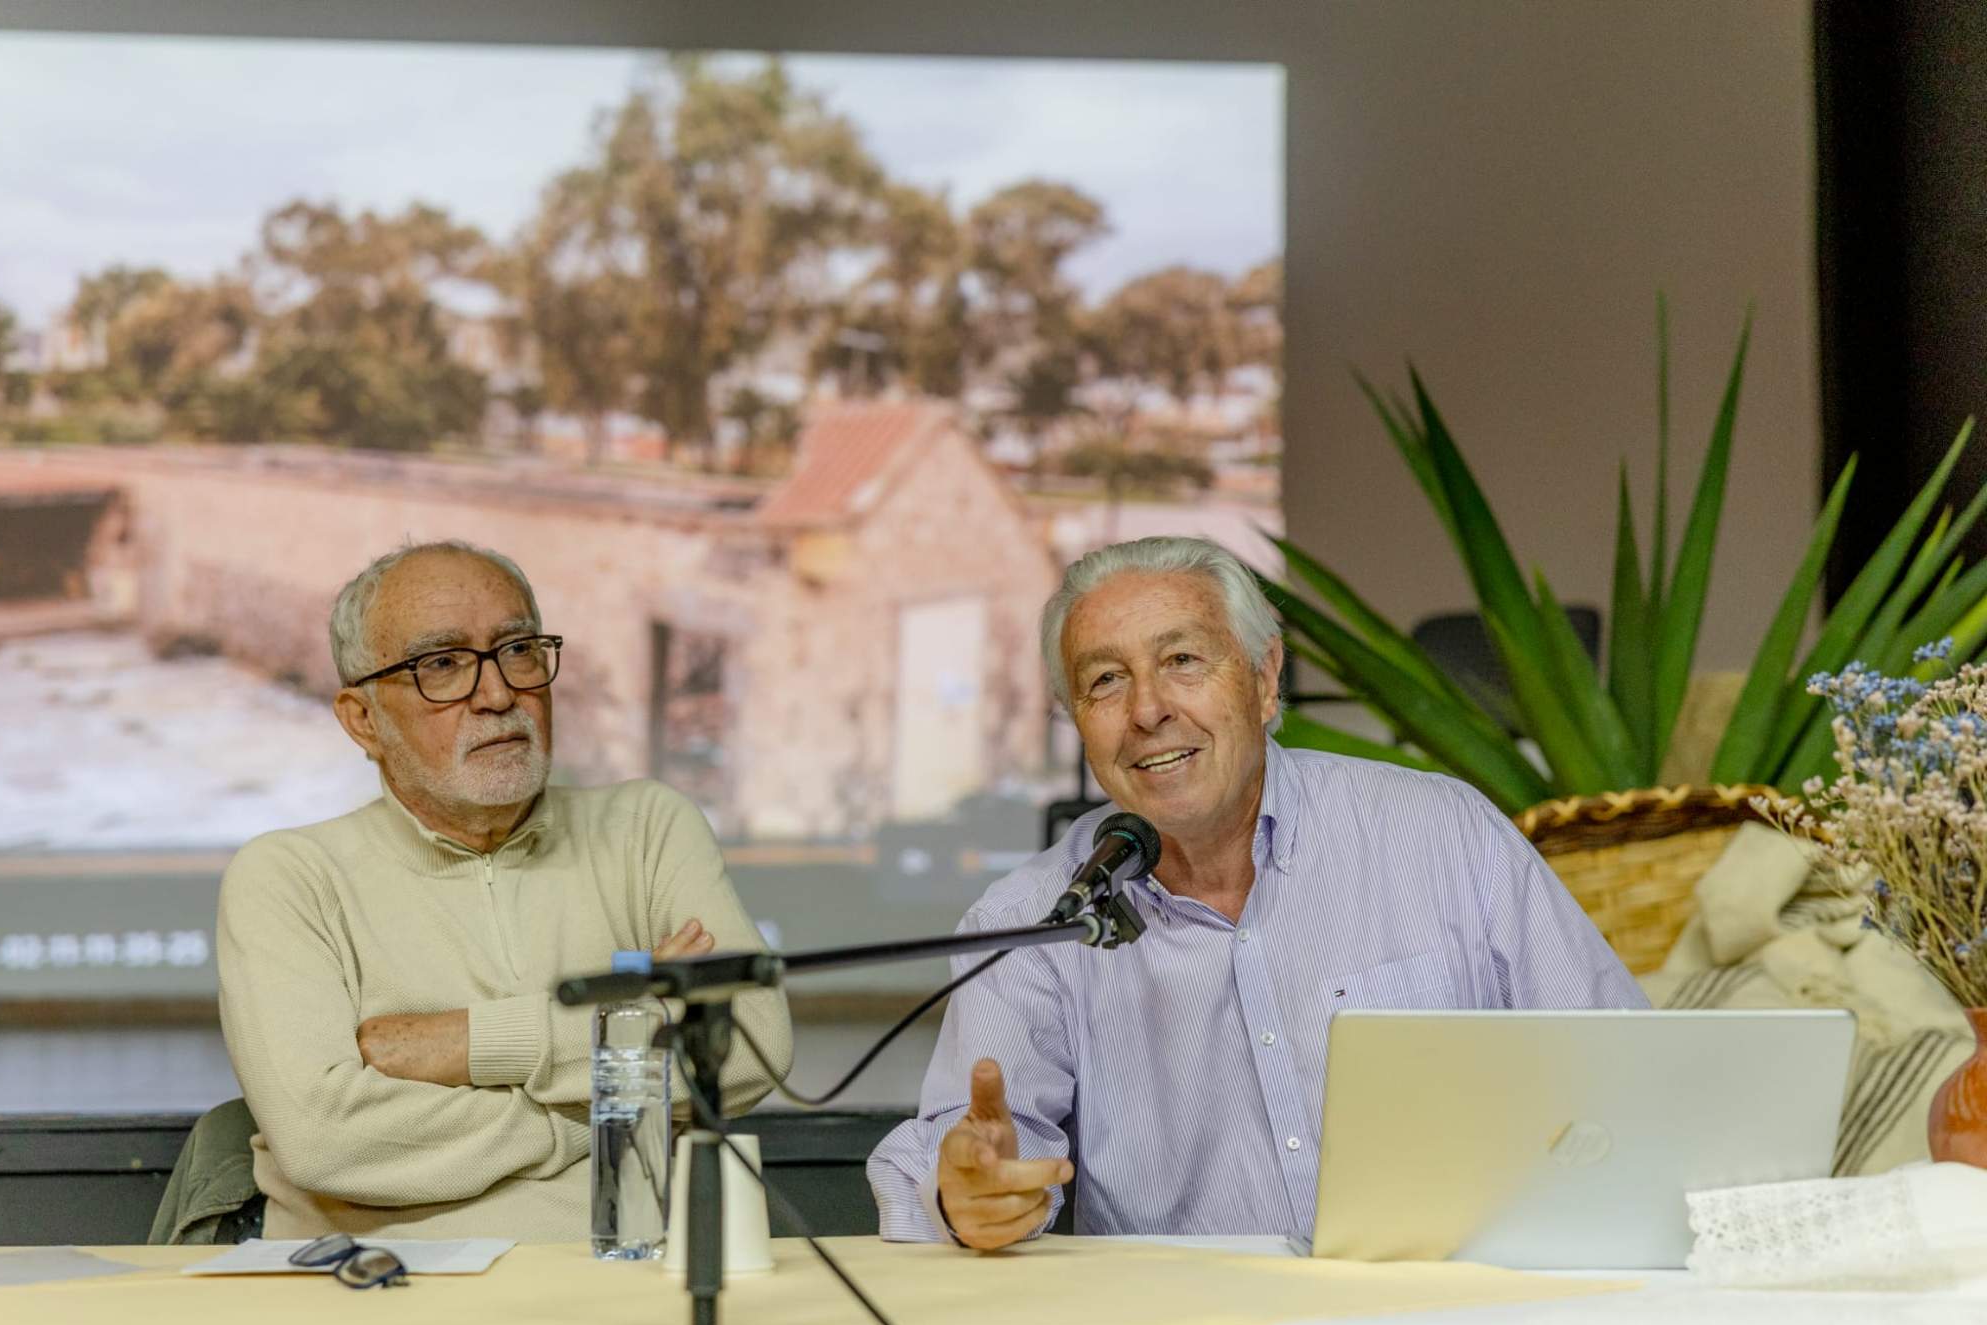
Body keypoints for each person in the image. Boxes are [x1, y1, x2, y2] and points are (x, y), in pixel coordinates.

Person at [867, 535, 1645, 1249]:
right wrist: (966, 1195)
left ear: (1266, 681)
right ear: (1078, 724)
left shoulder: (1444, 836)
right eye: (1106, 681)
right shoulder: (1035, 920)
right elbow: (983, 1155)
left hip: (1453, 1308)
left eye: (1182, 661)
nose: (1147, 711)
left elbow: (1623, 1072)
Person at [217, 539, 792, 1240]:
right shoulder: (289, 877)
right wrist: (618, 1100)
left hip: (627, 1285)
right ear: (362, 720)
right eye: (442, 665)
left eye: (518, 650)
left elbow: (753, 1044)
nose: (497, 694)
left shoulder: (646, 827)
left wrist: (470, 1044)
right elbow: (323, 1137)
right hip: (378, 1296)